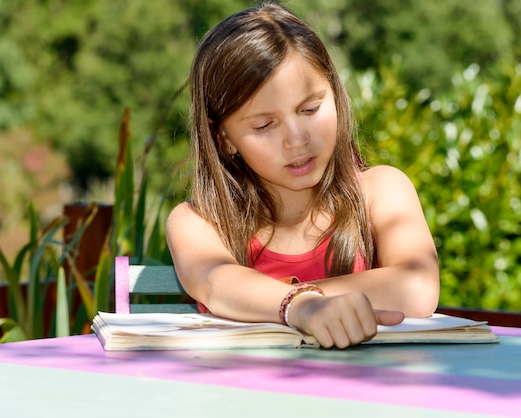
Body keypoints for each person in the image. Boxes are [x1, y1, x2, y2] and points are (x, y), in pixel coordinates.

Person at [166, 1, 439, 349]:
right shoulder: (199, 221)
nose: (297, 139)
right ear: (224, 138)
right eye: (265, 125)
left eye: (310, 108)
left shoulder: (382, 191)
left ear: (336, 97)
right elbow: (215, 283)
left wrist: (302, 303)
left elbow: (417, 287)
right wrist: (301, 307)